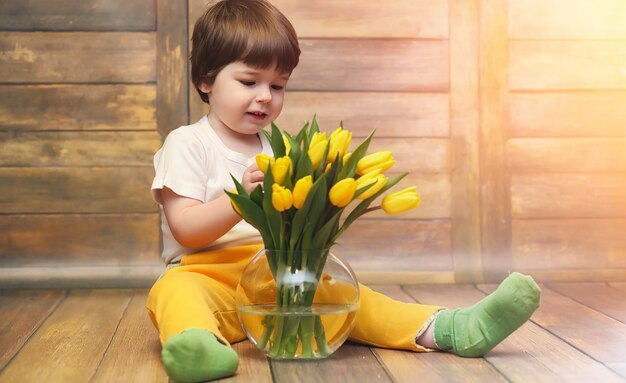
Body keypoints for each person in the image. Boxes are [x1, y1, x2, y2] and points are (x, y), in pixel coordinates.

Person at [147, 1, 541, 382]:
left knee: (355, 299)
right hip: (205, 276)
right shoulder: (188, 144)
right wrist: (240, 202)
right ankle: (198, 346)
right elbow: (185, 228)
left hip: (274, 277)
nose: (266, 96)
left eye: (278, 85)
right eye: (249, 81)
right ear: (206, 80)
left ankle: (449, 329)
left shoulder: (281, 148)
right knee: (174, 292)